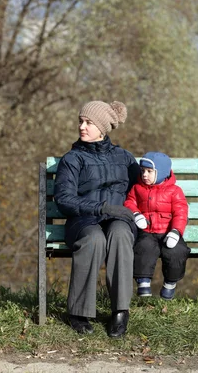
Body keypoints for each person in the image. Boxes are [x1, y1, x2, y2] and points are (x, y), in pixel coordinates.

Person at [54, 100, 140, 338]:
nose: (82, 127)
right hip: (83, 222)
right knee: (94, 239)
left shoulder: (125, 158)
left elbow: (142, 191)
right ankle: (79, 313)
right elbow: (64, 200)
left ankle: (120, 311)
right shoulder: (72, 159)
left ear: (102, 128)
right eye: (81, 121)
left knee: (121, 234)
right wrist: (104, 208)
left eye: (88, 123)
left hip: (119, 220)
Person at [124, 152, 190, 300]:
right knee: (143, 249)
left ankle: (170, 284)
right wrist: (136, 214)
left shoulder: (175, 191)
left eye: (149, 171)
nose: (145, 175)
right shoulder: (137, 188)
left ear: (161, 173)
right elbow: (129, 202)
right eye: (143, 171)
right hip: (147, 231)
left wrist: (176, 231)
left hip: (168, 232)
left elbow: (181, 212)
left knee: (177, 252)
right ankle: (143, 283)